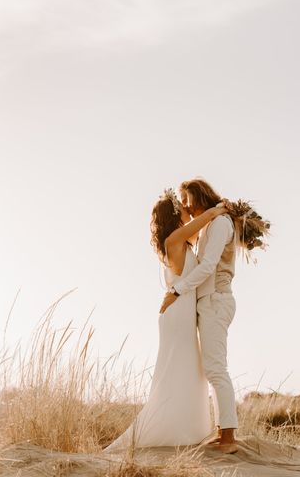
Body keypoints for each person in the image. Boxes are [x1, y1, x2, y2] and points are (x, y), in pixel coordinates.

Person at [102, 188, 227, 453]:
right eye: (181, 206)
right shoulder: (174, 238)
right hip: (177, 313)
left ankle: (188, 428)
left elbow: (202, 233)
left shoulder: (182, 240)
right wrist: (217, 209)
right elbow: (203, 221)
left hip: (181, 311)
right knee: (179, 369)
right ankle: (170, 430)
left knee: (188, 369)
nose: (186, 206)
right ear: (174, 215)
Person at [159, 178, 239, 454]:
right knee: (211, 369)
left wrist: (177, 290)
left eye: (185, 199)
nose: (183, 204)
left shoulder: (219, 224)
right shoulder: (209, 224)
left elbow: (207, 266)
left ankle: (228, 437)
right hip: (208, 302)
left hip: (216, 300)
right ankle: (221, 431)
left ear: (197, 195)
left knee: (217, 369)